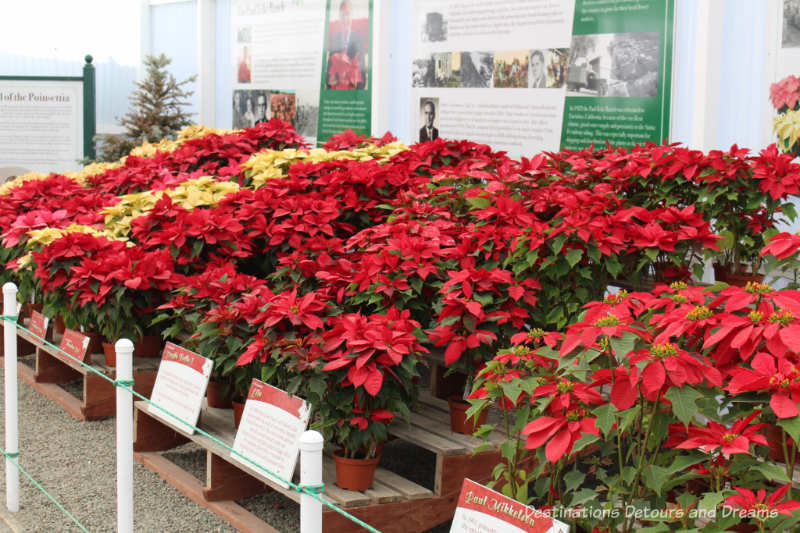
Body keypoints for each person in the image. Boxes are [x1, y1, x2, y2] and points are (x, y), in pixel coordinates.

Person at [327, 0, 366, 89]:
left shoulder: (359, 39)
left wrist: (355, 94)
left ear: (352, 16)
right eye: (342, 15)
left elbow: (362, 76)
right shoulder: (334, 39)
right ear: (339, 17)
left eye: (347, 14)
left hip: (353, 96)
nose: (345, 19)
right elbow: (328, 74)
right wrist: (330, 83)